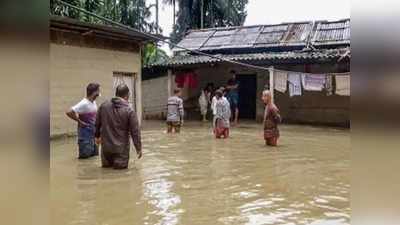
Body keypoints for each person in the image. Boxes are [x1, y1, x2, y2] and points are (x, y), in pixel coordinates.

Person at [94, 84, 142, 169]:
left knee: (105, 174)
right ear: (127, 95)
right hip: (121, 151)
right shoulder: (129, 110)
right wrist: (138, 148)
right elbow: (135, 132)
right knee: (121, 176)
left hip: (106, 149)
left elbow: (97, 123)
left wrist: (97, 136)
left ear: (116, 94)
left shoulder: (103, 106)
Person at [66, 83, 100, 159]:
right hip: (85, 137)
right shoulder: (84, 103)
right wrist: (79, 121)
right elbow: (69, 112)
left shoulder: (93, 102)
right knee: (85, 159)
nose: (99, 94)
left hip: (93, 136)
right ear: (94, 92)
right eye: (98, 91)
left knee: (94, 158)